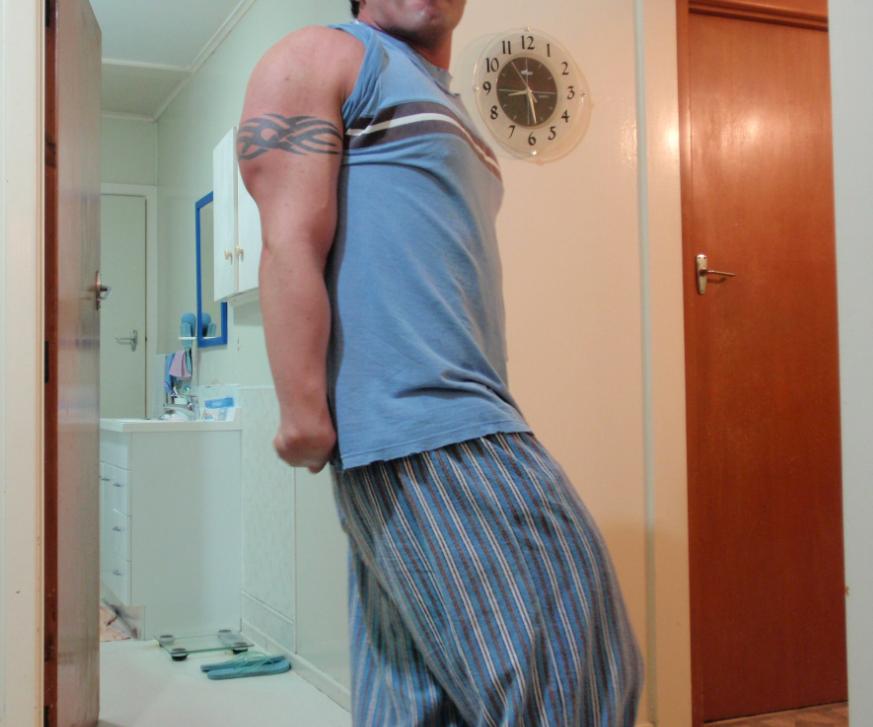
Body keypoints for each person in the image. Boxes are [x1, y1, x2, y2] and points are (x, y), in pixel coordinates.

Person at [237, 0, 644, 724]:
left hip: (448, 415)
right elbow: (288, 238)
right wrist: (302, 409)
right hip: (425, 422)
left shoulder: (441, 98)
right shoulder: (325, 55)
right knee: (575, 663)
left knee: (421, 701)